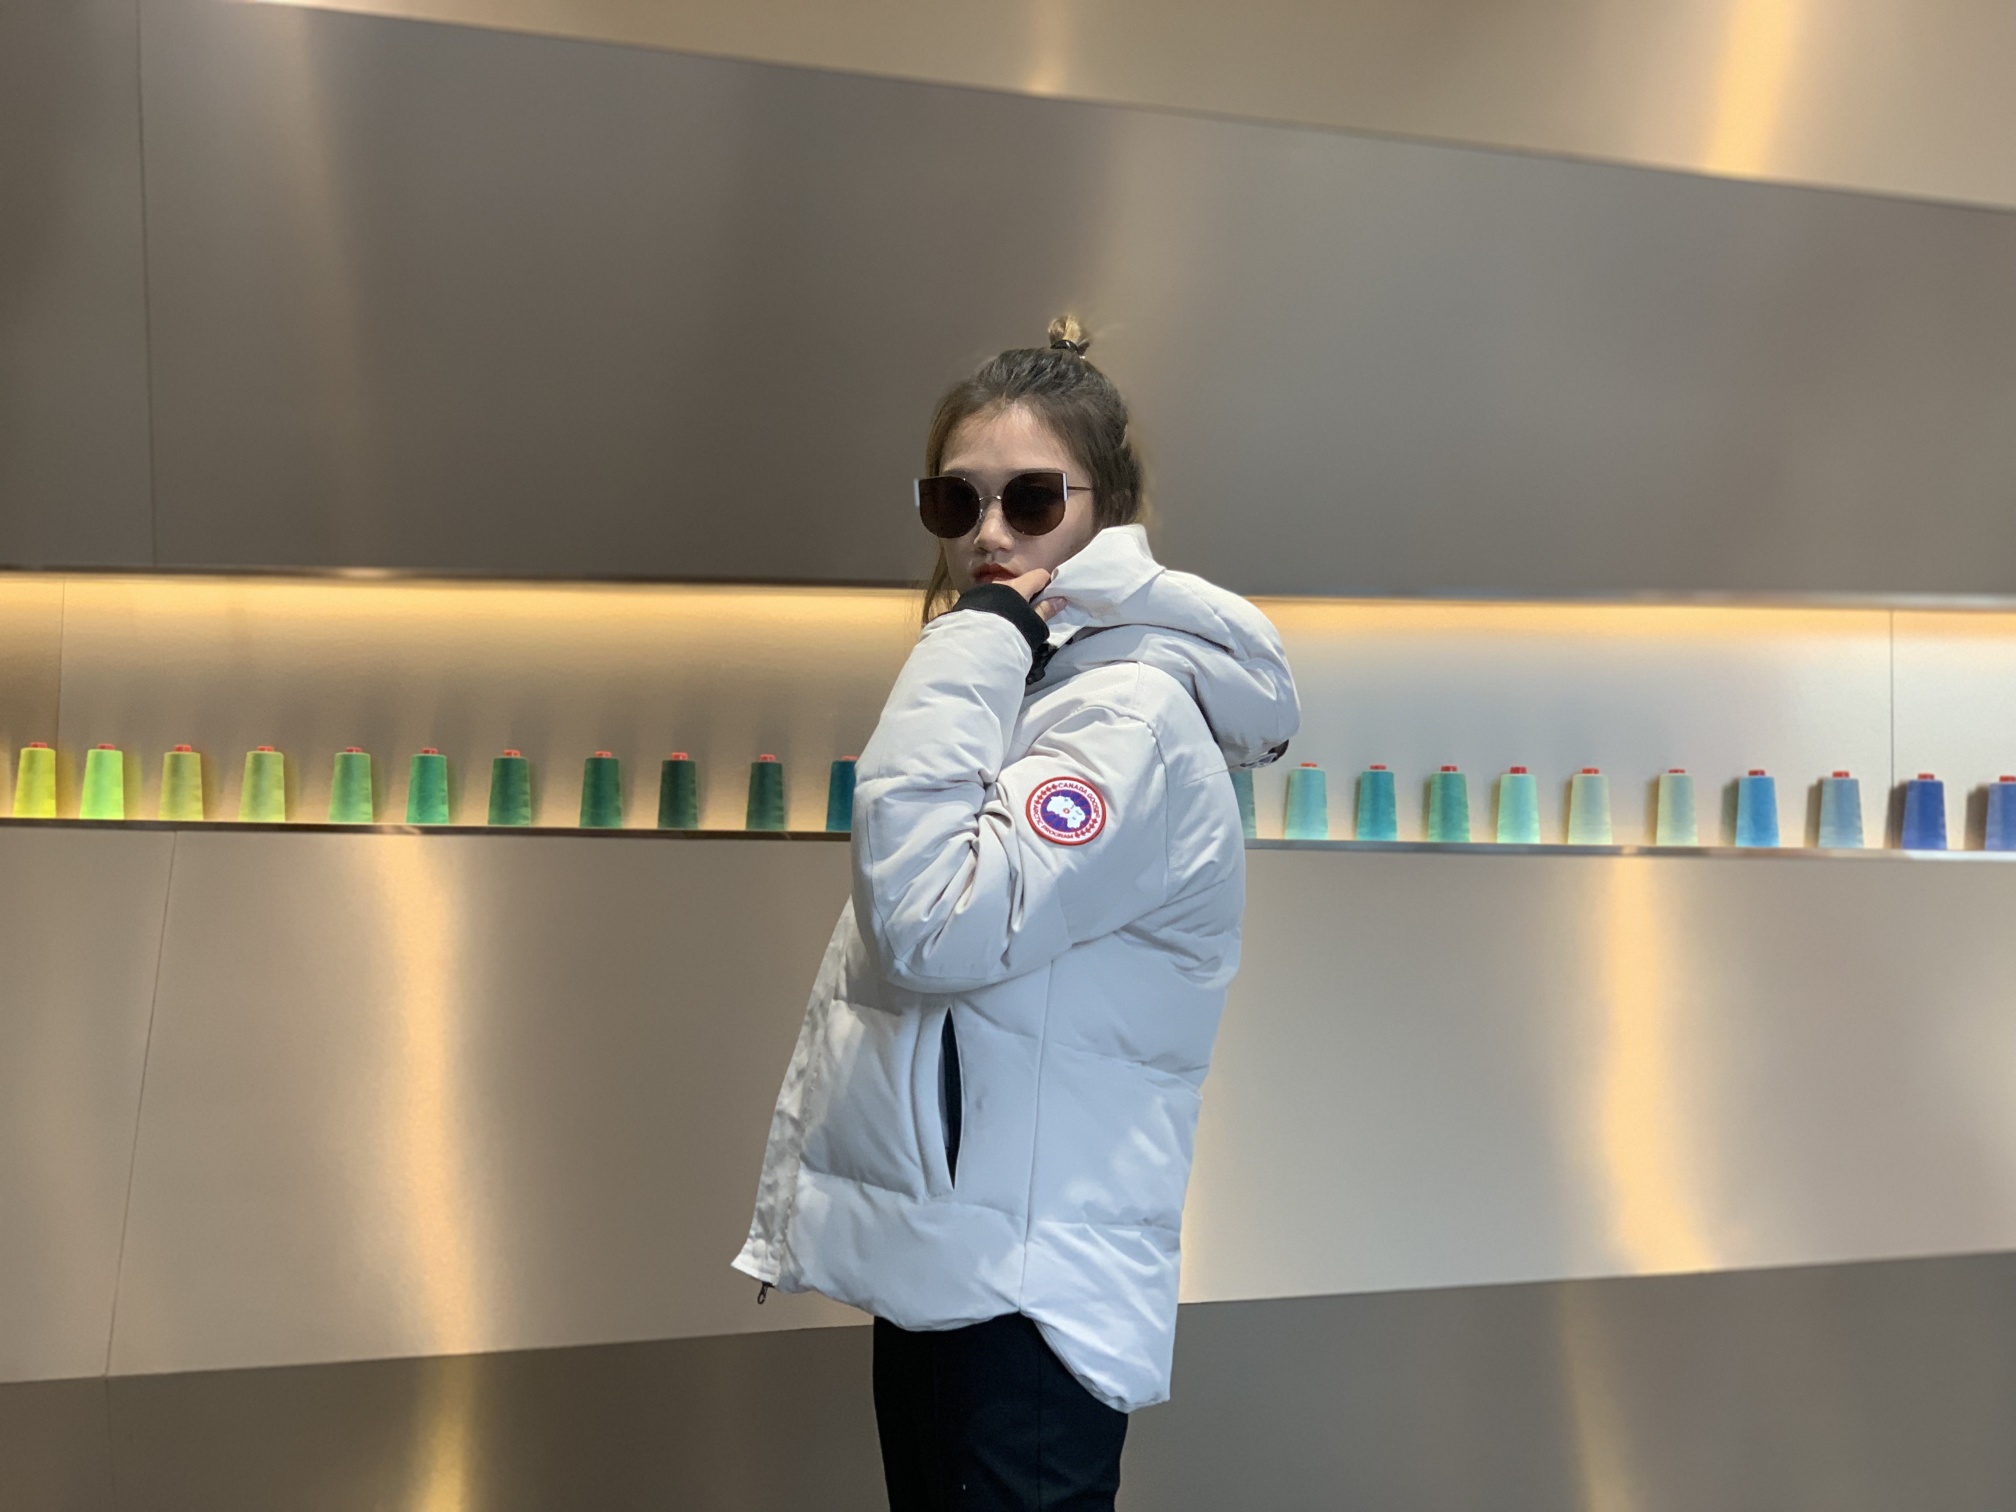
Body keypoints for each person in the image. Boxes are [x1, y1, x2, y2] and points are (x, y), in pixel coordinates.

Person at [734, 316, 1299, 1510]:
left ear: (1109, 510)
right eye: (957, 501)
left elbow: (929, 922)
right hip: (959, 1262)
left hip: (1025, 1294)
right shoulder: (1044, 686)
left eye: (1032, 499)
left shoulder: (1126, 715)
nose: (989, 533)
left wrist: (967, 646)